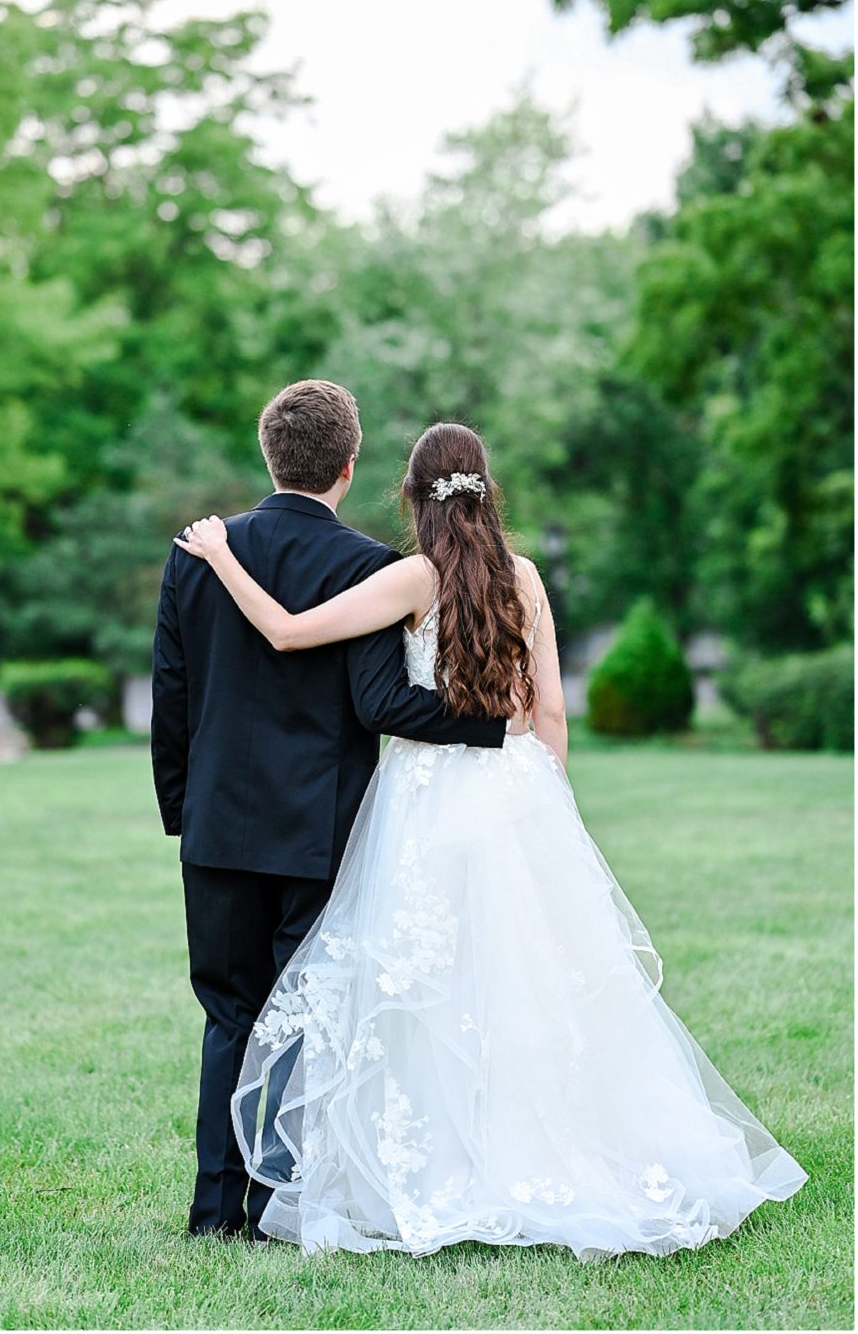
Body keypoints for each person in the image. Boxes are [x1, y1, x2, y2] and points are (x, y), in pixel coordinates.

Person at [173, 419, 808, 1261]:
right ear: (485, 489)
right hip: (516, 795)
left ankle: (426, 1165)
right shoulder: (528, 577)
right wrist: (550, 807)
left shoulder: (409, 578)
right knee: (528, 985)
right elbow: (548, 710)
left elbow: (289, 632)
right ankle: (547, 1156)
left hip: (424, 799)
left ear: (408, 493)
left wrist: (219, 556)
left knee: (419, 989)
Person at [151, 383, 510, 1242]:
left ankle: (213, 1212)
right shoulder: (366, 565)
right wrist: (490, 726)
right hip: (320, 829)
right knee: (304, 1013)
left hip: (217, 828)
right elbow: (377, 701)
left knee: (228, 1012)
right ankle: (282, 1201)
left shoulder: (199, 553)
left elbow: (173, 692)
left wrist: (183, 810)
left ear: (270, 458)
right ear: (348, 467)